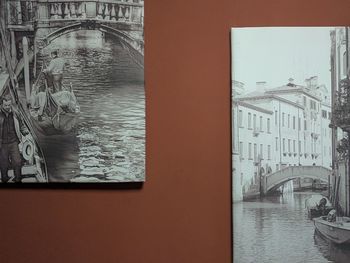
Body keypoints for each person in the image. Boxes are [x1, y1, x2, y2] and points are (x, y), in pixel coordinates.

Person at [0, 95, 29, 183]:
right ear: (1, 104)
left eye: (9, 105)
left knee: (17, 161)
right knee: (3, 163)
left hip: (14, 142)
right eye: (6, 105)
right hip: (2, 143)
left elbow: (21, 125)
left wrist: (26, 133)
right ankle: (4, 179)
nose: (8, 107)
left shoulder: (15, 112)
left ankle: (18, 179)